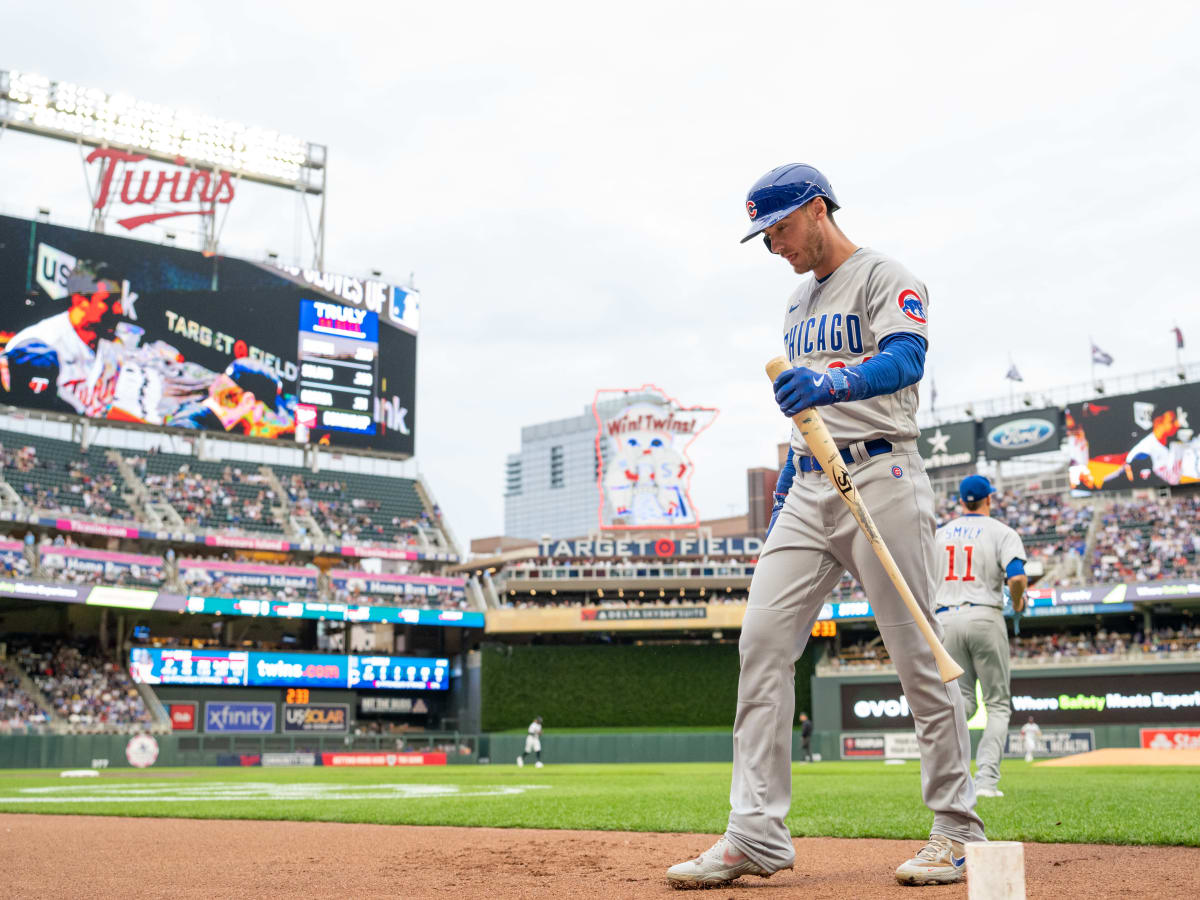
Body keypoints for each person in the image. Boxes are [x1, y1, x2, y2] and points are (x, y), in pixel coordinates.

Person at [667, 164, 983, 890]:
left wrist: (834, 381)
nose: (772, 245)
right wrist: (783, 486)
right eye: (764, 234)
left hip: (883, 475)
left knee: (918, 655)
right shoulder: (794, 304)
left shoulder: (883, 275)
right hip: (812, 485)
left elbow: (906, 358)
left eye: (777, 228)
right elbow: (807, 418)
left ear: (816, 211)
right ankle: (755, 835)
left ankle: (956, 830)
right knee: (762, 643)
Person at [934, 474, 1028, 799]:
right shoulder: (1002, 531)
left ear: (962, 501)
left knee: (961, 704)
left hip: (945, 618)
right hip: (985, 614)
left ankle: (953, 782)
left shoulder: (940, 534)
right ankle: (986, 782)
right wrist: (1017, 603)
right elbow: (1016, 578)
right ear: (989, 498)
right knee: (998, 704)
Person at [2, 260, 133, 416]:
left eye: (118, 301)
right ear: (80, 300)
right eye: (109, 302)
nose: (119, 310)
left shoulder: (114, 345)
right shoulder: (38, 343)